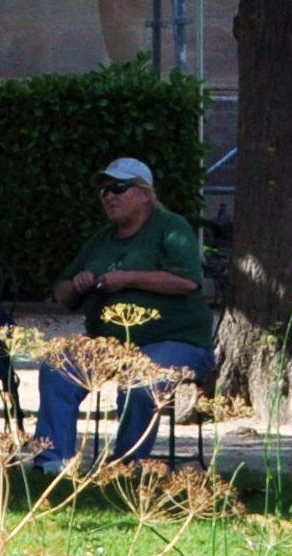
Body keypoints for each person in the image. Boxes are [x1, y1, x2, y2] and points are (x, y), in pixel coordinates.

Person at [36, 155, 216, 464]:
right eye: (104, 190)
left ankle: (125, 467)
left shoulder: (171, 227)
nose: (109, 196)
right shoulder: (101, 239)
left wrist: (128, 278)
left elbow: (188, 282)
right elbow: (62, 295)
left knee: (140, 380)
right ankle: (53, 463)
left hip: (176, 341)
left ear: (145, 194)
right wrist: (78, 285)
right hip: (111, 343)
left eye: (119, 188)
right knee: (56, 368)